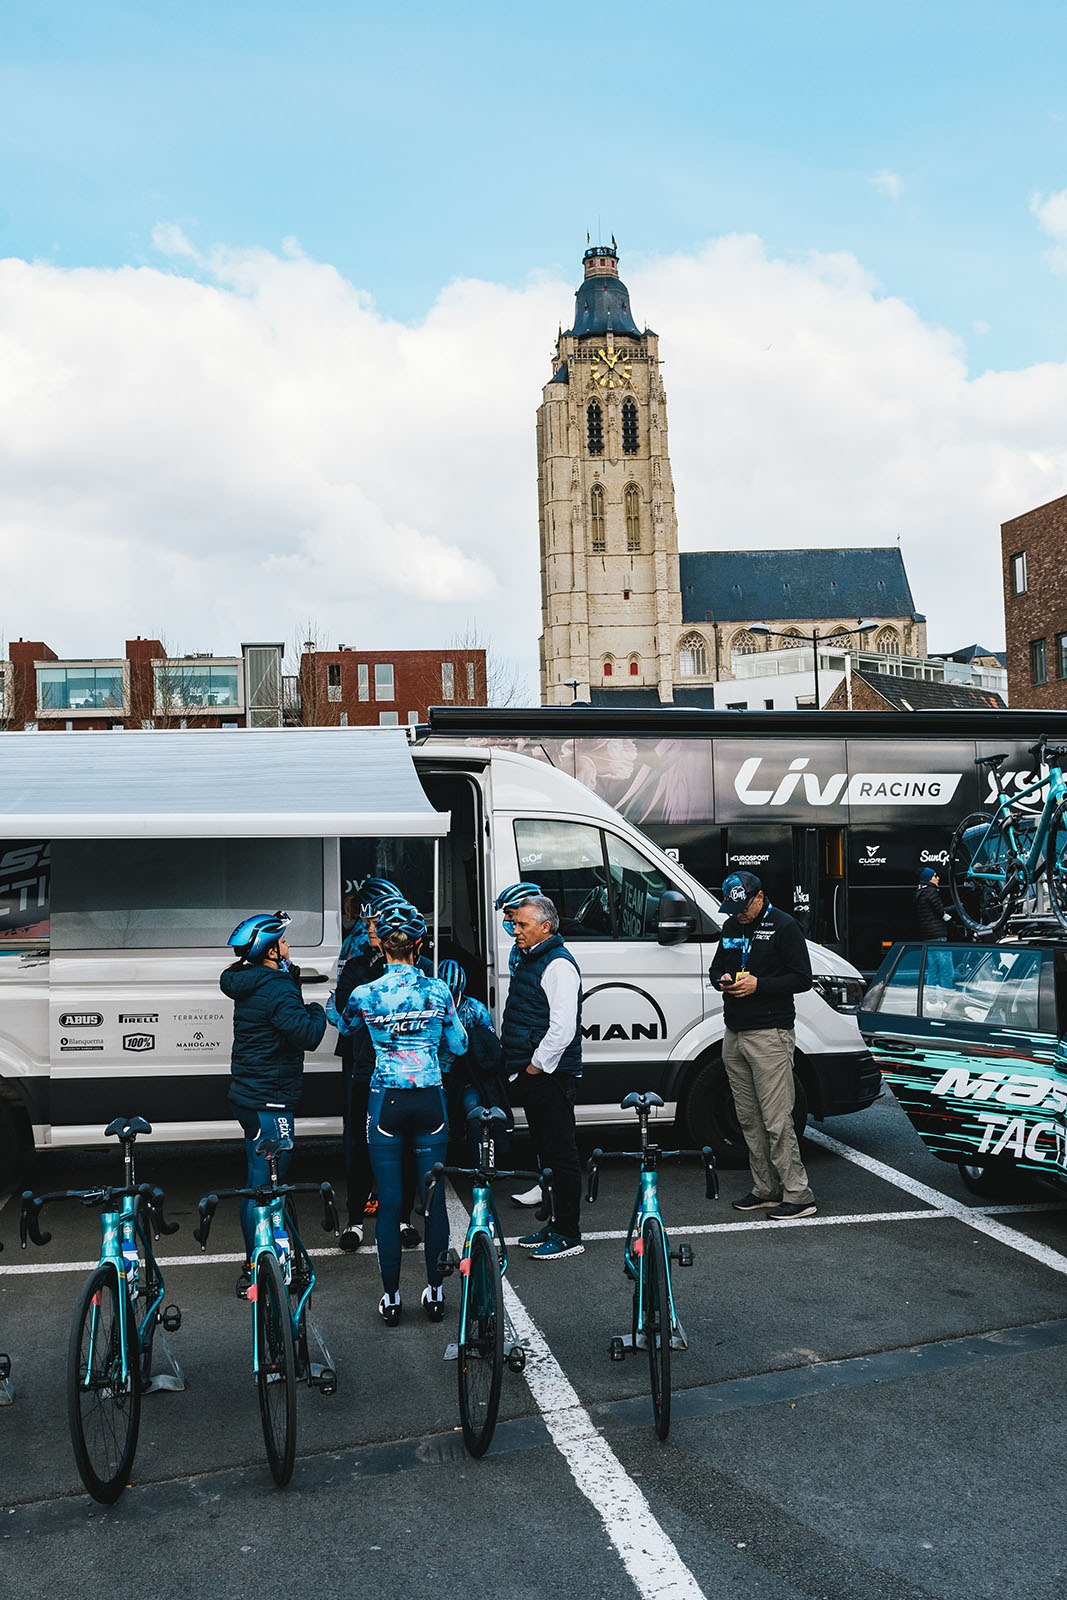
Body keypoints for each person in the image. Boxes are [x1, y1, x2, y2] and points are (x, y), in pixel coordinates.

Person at [338, 899, 466, 1325]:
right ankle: (435, 1293)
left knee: (390, 1203)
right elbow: (461, 1045)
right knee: (433, 1203)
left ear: (384, 947)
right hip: (430, 1097)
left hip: (385, 1098)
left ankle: (391, 1299)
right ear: (418, 945)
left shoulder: (366, 993)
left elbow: (344, 1027)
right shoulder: (438, 989)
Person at [220, 911, 328, 1290]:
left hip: (248, 1095)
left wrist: (290, 984)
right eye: (282, 941)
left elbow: (274, 1014)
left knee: (255, 1178)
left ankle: (255, 1261)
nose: (287, 945)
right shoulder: (277, 987)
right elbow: (307, 1034)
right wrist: (320, 1009)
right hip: (272, 1100)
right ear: (269, 950)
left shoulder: (250, 981)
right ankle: (264, 1266)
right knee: (269, 1183)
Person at [708, 872, 816, 1221]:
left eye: (742, 907)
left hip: (770, 1032)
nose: (737, 914)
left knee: (776, 1118)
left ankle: (798, 1194)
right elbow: (715, 970)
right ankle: (765, 1189)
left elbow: (802, 978)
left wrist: (760, 985)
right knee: (748, 1118)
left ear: (759, 897)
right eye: (732, 908)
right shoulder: (730, 928)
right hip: (734, 1031)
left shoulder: (784, 926)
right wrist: (722, 979)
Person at [499, 891, 585, 1260]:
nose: (515, 930)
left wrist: (535, 1066)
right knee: (548, 1153)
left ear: (545, 926)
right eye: (516, 923)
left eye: (522, 924)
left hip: (549, 1074)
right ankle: (553, 1224)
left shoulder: (558, 965)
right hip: (533, 1073)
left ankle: (569, 1233)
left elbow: (563, 1028)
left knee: (562, 1155)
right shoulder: (533, 959)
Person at [438, 959, 513, 1162]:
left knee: (473, 1106)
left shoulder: (476, 1008)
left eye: (454, 997)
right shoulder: (431, 1005)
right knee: (438, 1111)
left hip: (466, 1072)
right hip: (438, 1071)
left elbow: (490, 1043)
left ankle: (478, 1163)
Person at [915, 866, 953, 990]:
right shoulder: (931, 891)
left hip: (927, 936)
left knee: (933, 968)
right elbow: (939, 911)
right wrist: (948, 917)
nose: (938, 878)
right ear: (929, 878)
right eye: (935, 876)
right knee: (946, 968)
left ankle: (930, 999)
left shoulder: (920, 892)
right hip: (937, 935)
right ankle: (948, 997)